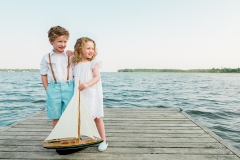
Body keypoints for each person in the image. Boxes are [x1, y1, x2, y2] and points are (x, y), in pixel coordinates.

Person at [72, 37, 108, 151]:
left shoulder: (93, 63)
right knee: (82, 116)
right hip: (81, 94)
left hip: (92, 93)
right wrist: (69, 53)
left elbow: (97, 77)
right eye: (88, 48)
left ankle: (104, 140)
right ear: (79, 49)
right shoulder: (75, 62)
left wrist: (87, 84)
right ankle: (90, 136)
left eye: (92, 48)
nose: (91, 50)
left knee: (97, 117)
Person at [40, 26, 74, 128]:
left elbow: (80, 63)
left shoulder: (70, 56)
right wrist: (47, 89)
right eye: (59, 41)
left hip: (69, 87)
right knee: (55, 115)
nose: (63, 44)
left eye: (65, 41)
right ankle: (56, 136)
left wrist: (74, 53)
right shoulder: (46, 57)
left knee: (71, 113)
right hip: (53, 88)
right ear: (51, 41)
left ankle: (71, 134)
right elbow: (43, 74)